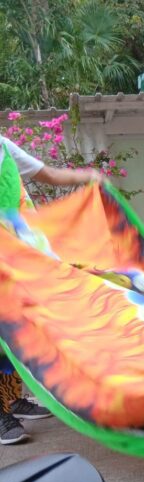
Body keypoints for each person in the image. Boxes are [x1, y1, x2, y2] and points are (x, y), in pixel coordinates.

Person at [0, 135, 101, 445]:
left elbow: (49, 175)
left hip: (19, 254)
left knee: (21, 325)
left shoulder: (3, 146)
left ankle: (12, 399)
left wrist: (90, 177)